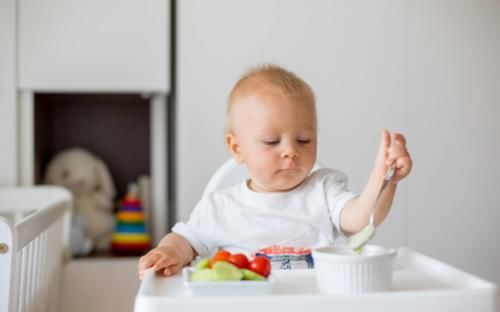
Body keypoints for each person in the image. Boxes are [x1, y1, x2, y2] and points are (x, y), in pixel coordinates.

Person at [138, 64, 412, 279]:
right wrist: (167, 251)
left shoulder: (325, 189)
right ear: (237, 148)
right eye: (271, 142)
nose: (291, 151)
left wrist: (384, 179)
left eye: (304, 140)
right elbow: (186, 239)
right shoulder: (220, 207)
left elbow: (361, 220)